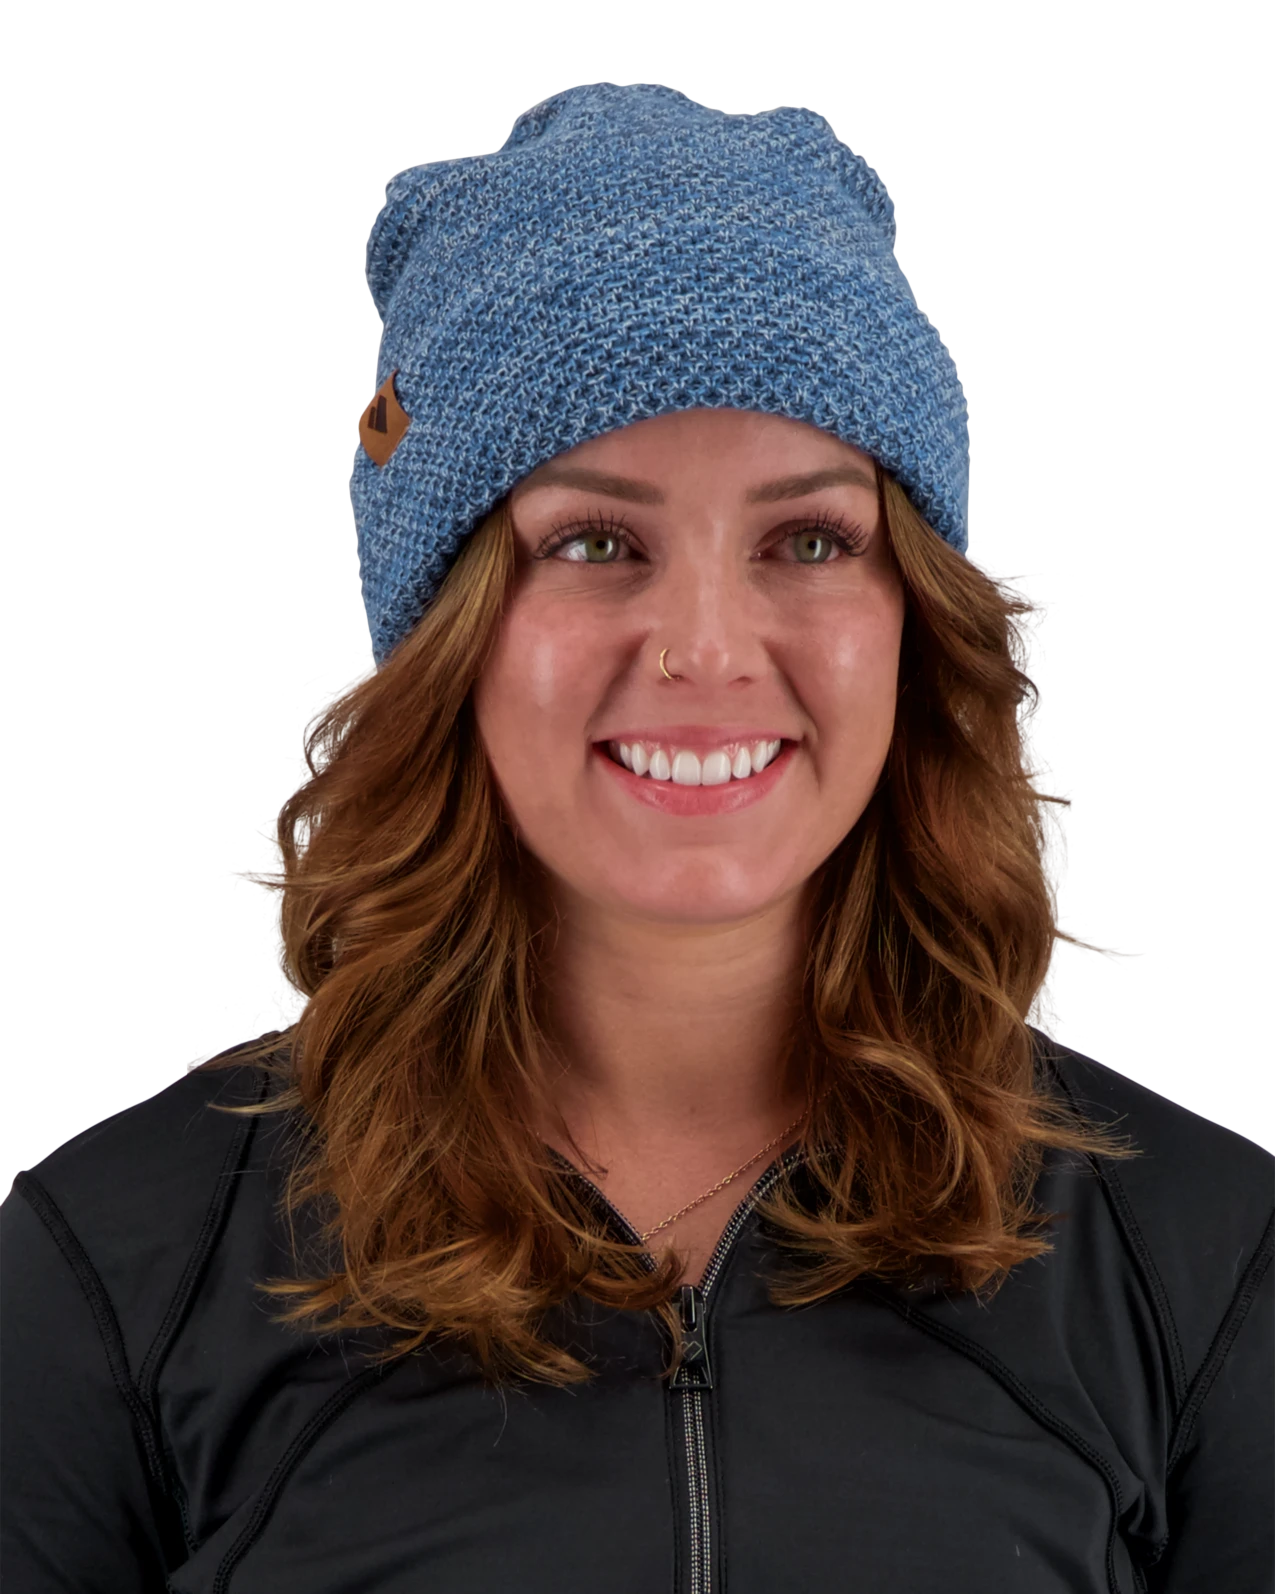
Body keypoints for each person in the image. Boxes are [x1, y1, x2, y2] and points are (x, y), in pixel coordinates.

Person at [3, 83, 1271, 1594]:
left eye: (810, 539)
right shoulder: (118, 1266)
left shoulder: (1199, 1255)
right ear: (454, 632)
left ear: (911, 622)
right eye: (595, 542)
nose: (705, 648)